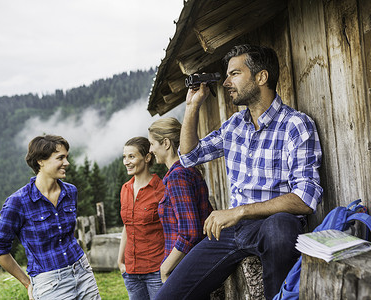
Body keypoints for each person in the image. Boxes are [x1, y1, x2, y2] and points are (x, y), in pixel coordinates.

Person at [155, 44, 323, 300]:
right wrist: (192, 107)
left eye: (234, 73)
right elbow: (189, 157)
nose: (225, 82)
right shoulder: (234, 125)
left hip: (274, 225)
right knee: (167, 297)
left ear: (261, 77)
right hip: (234, 231)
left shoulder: (296, 125)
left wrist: (240, 210)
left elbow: (305, 199)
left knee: (280, 226)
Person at [0, 135, 100, 300]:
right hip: (50, 284)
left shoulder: (70, 192)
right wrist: (27, 283)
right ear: (40, 161)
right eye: (60, 158)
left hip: (83, 272)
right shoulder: (18, 202)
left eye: (66, 157)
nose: (67, 163)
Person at [148, 117, 212, 284]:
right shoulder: (187, 170)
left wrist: (165, 268)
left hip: (181, 268)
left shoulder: (178, 176)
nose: (150, 149)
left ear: (166, 143)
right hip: (189, 264)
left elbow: (190, 232)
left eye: (152, 143)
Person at [117, 137, 166, 300]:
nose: (126, 162)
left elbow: (171, 228)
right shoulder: (125, 189)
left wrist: (167, 266)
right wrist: (120, 260)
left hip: (156, 270)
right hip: (130, 271)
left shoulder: (161, 189)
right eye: (124, 157)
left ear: (147, 157)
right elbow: (127, 226)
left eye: (132, 156)